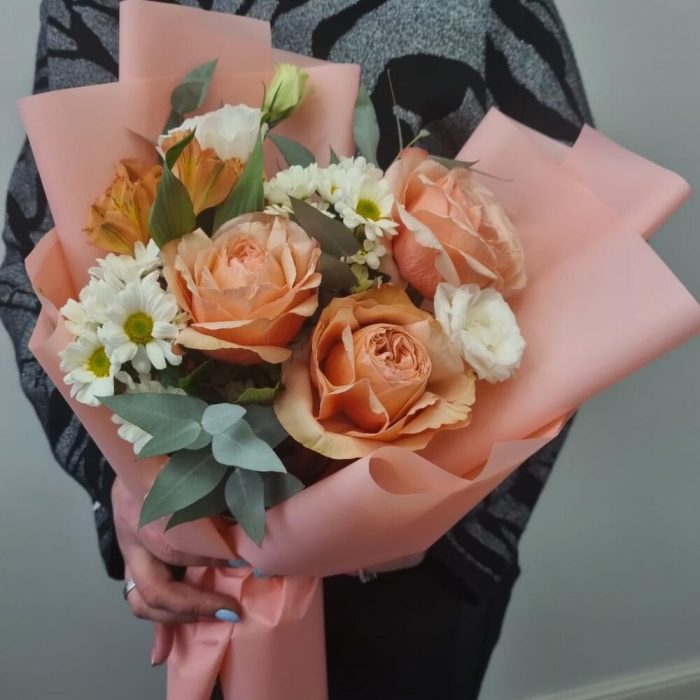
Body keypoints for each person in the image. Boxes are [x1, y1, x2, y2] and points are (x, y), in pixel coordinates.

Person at [0, 1, 590, 698]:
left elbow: (570, 254)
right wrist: (121, 491)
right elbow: (35, 248)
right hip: (204, 557)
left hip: (423, 565)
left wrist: (456, 533)